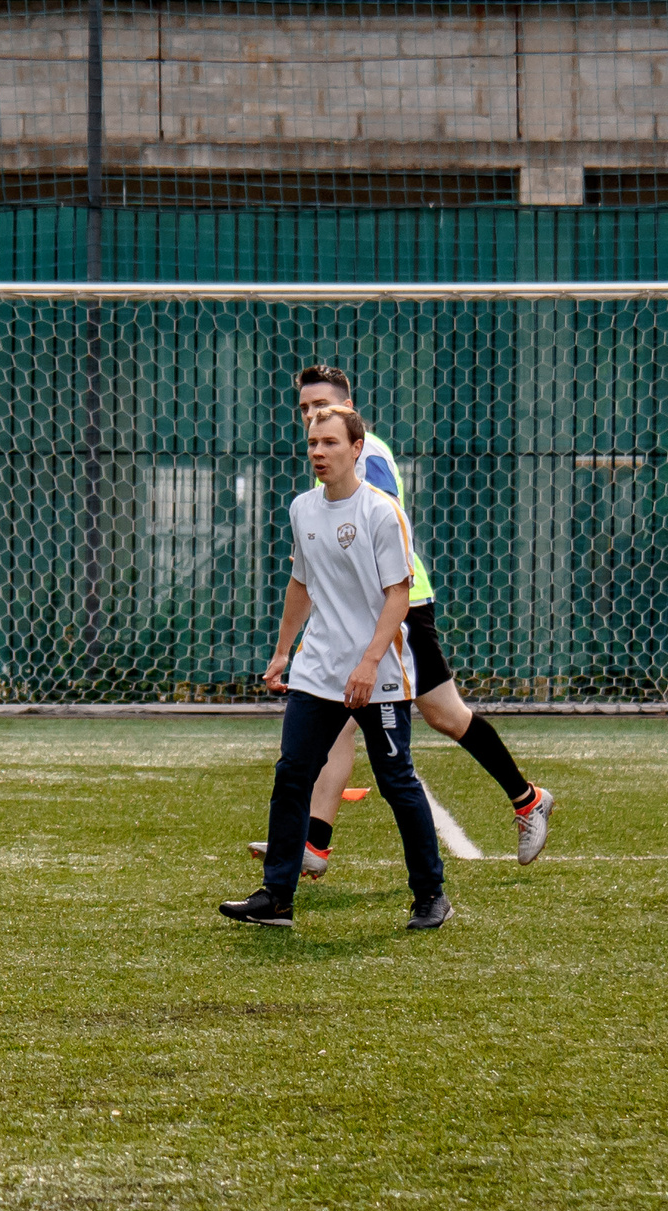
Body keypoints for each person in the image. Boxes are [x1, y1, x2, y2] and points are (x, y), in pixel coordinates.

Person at [247, 365, 554, 874]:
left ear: (348, 406)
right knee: (338, 720)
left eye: (320, 404)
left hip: (401, 609)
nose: (311, 415)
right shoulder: (322, 470)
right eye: (303, 409)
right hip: (357, 613)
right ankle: (314, 845)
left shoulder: (369, 456)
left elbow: (386, 523)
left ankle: (527, 799)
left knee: (446, 716)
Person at [225, 404, 449, 932]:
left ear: (356, 449)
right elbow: (301, 583)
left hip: (380, 675)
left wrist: (370, 663)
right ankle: (277, 898)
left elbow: (400, 594)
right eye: (312, 443)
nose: (318, 452)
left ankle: (431, 894)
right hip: (318, 671)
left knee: (397, 782)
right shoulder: (303, 508)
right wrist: (284, 651)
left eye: (329, 443)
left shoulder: (380, 511)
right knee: (292, 775)